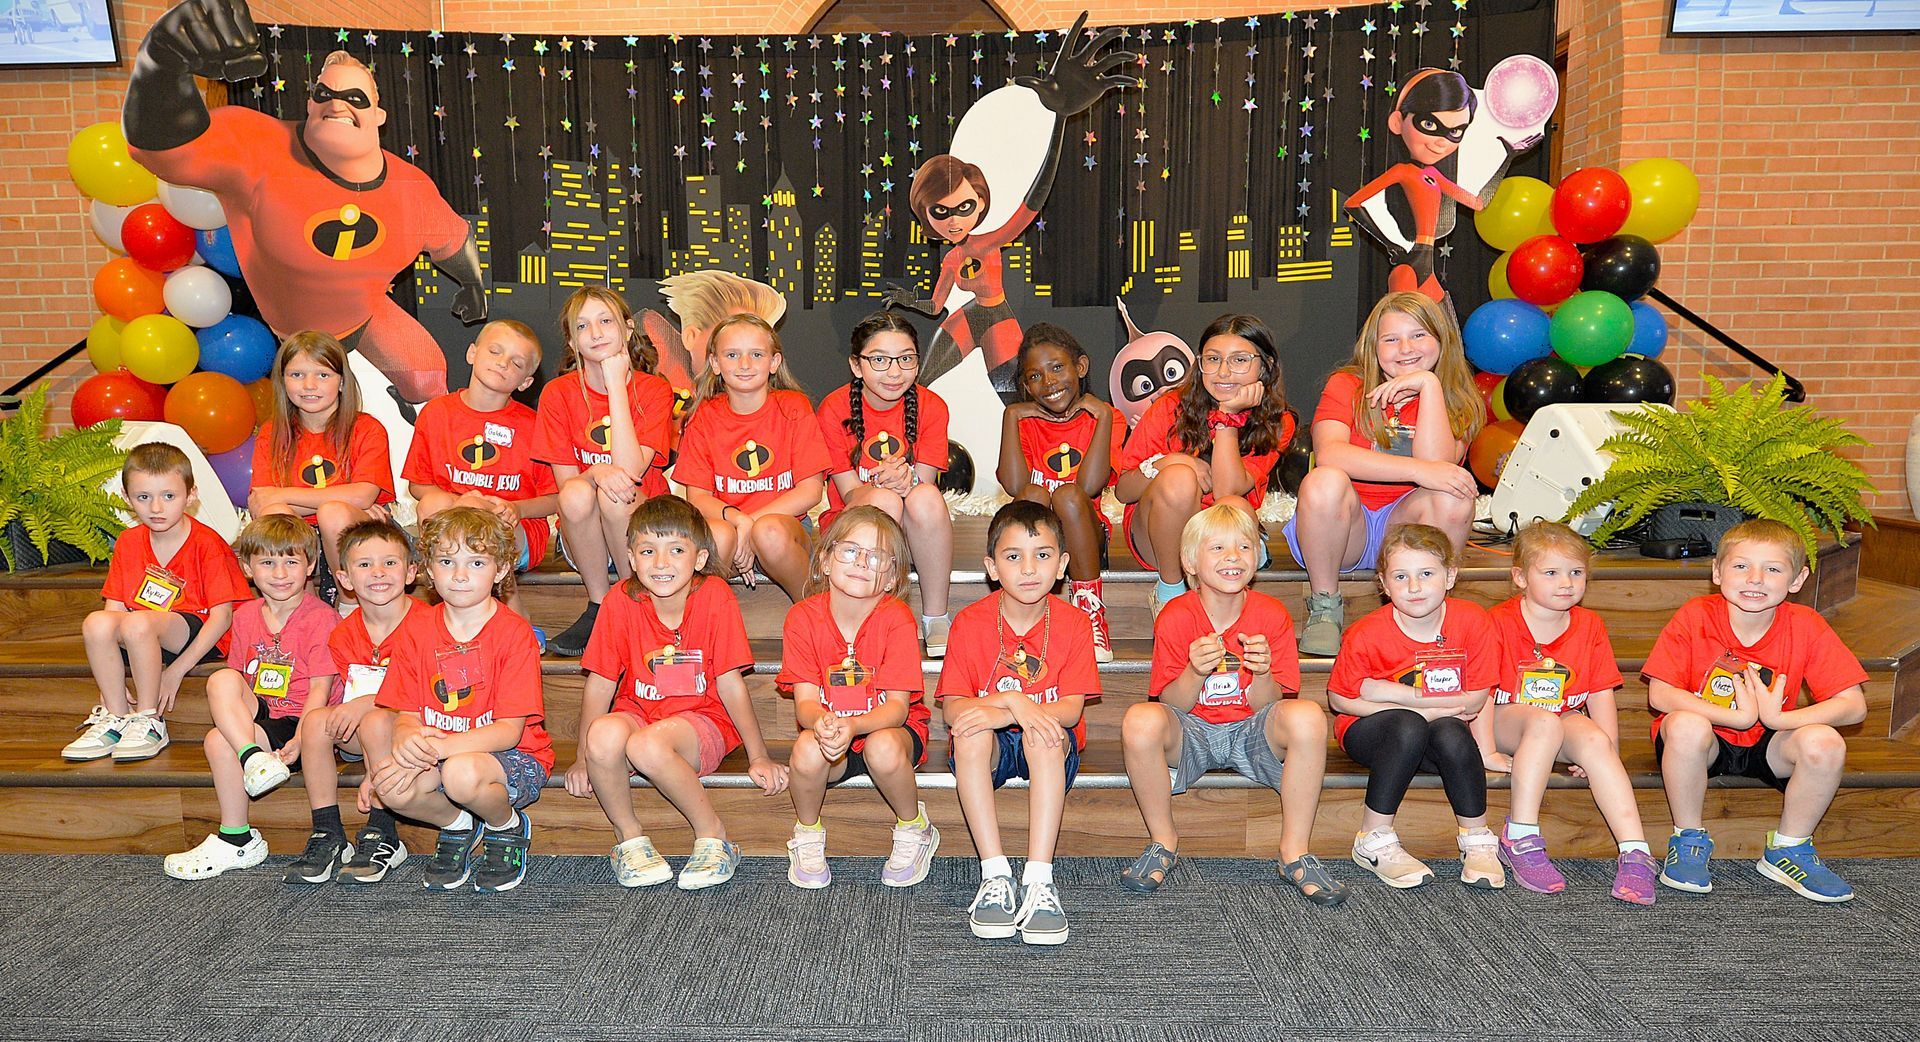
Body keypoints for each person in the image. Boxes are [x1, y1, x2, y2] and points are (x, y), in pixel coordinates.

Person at [126, 30, 484, 402]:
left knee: (428, 382)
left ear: (378, 116)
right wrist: (162, 61)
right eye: (325, 94)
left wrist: (472, 285)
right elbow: (159, 148)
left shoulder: (410, 187)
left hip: (364, 315)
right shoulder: (259, 146)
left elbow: (451, 238)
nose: (338, 105)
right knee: (311, 422)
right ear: (311, 104)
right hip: (289, 338)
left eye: (354, 98)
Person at [1118, 505, 1344, 906]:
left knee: (1308, 715)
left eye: (1244, 546)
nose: (1232, 556)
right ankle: (1163, 840)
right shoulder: (1175, 615)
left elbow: (1272, 705)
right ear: (1190, 562)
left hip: (1251, 730)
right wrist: (1193, 671)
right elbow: (1169, 702)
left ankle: (1294, 851)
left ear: (1256, 560)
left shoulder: (1271, 614)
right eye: (1218, 547)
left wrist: (1261, 673)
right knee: (1139, 720)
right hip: (1194, 731)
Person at [564, 496, 788, 891]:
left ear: (699, 559)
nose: (661, 563)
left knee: (647, 747)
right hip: (640, 715)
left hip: (702, 722)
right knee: (603, 735)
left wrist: (758, 756)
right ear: (631, 559)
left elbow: (731, 682)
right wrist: (583, 758)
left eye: (676, 550)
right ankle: (630, 840)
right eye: (648, 551)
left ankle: (713, 834)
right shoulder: (620, 599)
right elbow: (600, 682)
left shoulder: (715, 595)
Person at [1645, 519, 1868, 903]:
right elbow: (1660, 696)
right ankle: (1689, 838)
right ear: (1717, 572)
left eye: (1773, 569)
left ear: (1796, 580)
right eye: (1741, 566)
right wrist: (1737, 717)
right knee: (1683, 725)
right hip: (1706, 741)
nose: (1756, 579)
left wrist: (1780, 720)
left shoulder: (1806, 624)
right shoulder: (1696, 615)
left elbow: (1853, 706)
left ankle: (1788, 848)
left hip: (1771, 743)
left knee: (1825, 742)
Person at [360, 507, 554, 893]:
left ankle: (506, 826)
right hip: (442, 749)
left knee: (460, 773)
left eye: (476, 562)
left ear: (500, 570)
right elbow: (407, 712)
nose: (460, 575)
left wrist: (438, 748)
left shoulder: (513, 634)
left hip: (513, 759)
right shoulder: (416, 629)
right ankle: (457, 826)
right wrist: (406, 738)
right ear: (430, 569)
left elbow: (508, 733)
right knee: (391, 786)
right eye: (447, 561)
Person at [1286, 292, 1486, 656]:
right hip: (1343, 530)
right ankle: (1326, 607)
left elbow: (1439, 464)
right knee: (1322, 480)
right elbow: (1331, 453)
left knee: (1453, 496)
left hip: (1405, 523)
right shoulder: (1347, 384)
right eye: (1391, 339)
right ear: (1373, 348)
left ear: (1441, 339)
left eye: (1419, 335)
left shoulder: (1458, 396)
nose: (1405, 348)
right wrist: (1418, 470)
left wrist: (1429, 387)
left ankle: (1432, 610)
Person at [938, 500, 1097, 944]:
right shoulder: (970, 623)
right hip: (991, 751)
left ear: (1063, 565)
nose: (1029, 569)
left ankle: (1040, 879)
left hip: (1049, 747)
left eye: (1042, 555)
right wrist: (1014, 700)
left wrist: (1021, 712)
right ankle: (994, 875)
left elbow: (1071, 709)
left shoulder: (1074, 622)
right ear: (992, 567)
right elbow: (954, 709)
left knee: (1044, 734)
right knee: (970, 734)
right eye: (1013, 557)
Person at [1483, 522, 1656, 904]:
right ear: (1520, 577)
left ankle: (1635, 850)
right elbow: (1479, 694)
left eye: (1576, 572)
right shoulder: (1497, 622)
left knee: (1593, 738)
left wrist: (1605, 748)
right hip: (1505, 719)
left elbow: (1599, 691)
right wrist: (1486, 751)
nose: (1566, 583)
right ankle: (1521, 834)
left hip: (1559, 720)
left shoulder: (1590, 624)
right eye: (1551, 572)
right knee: (1544, 722)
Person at [1327, 523, 1503, 890]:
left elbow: (1474, 700)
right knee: (1409, 726)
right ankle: (1372, 839)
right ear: (1384, 583)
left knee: (1453, 732)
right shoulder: (1366, 633)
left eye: (1426, 573)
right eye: (1401, 576)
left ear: (1450, 576)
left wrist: (1384, 690)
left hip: (1439, 727)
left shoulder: (1472, 621)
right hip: (1371, 731)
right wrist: (1413, 705)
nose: (1414, 587)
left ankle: (1476, 838)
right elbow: (1342, 698)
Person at [163, 514, 339, 880]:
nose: (279, 573)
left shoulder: (322, 618)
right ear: (247, 567)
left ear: (310, 565)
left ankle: (236, 837)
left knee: (215, 740)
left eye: (291, 561)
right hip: (260, 716)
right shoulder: (244, 616)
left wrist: (299, 740)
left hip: (301, 722)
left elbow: (321, 691)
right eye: (267, 562)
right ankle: (252, 760)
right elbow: (242, 680)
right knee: (222, 679)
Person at [778, 506, 937, 889]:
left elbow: (898, 710)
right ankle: (807, 832)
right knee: (806, 749)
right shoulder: (801, 618)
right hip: (833, 737)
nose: (861, 563)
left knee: (881, 747)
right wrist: (824, 723)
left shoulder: (896, 617)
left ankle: (914, 826)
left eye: (877, 557)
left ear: (891, 577)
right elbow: (805, 703)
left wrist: (854, 725)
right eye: (850, 550)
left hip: (888, 731)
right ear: (826, 560)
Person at [68, 443, 247, 763]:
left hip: (203, 632)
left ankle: (149, 718)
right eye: (143, 497)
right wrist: (109, 680)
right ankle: (115, 718)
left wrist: (177, 671)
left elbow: (222, 618)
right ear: (126, 497)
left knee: (138, 622)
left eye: (168, 496)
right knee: (95, 622)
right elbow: (115, 607)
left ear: (190, 495)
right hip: (144, 632)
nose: (156, 508)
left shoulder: (207, 543)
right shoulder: (128, 541)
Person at [1115, 314, 1293, 619]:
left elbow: (1225, 491)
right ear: (1199, 364)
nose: (1223, 371)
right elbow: (1123, 490)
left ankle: (1228, 602)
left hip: (1222, 527)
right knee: (1180, 478)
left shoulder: (1278, 423)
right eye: (1212, 359)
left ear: (1265, 366)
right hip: (1158, 536)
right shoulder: (1169, 406)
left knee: (1235, 504)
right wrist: (1171, 461)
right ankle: (1170, 592)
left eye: (1239, 360)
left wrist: (1227, 417)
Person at [536, 287, 677, 657]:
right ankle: (599, 604)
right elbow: (567, 490)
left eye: (605, 321)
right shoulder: (557, 394)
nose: (596, 333)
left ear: (628, 330)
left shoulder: (655, 390)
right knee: (583, 491)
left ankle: (634, 600)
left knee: (615, 494)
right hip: (585, 539)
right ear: (571, 340)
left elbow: (630, 473)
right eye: (582, 326)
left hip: (644, 525)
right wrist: (596, 470)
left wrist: (616, 383)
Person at [285, 518, 425, 885]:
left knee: (375, 719)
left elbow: (425, 693)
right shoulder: (343, 632)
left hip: (416, 727)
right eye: (364, 565)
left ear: (411, 571)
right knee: (316, 720)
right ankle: (328, 831)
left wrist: (366, 704)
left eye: (390, 563)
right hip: (363, 735)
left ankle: (383, 831)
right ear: (345, 579)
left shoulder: (430, 624)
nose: (378, 573)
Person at [403, 319, 559, 625]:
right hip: (451, 526)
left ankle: (513, 606)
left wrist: (516, 507)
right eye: (495, 352)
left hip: (516, 533)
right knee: (433, 504)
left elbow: (555, 498)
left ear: (525, 382)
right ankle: (448, 602)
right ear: (472, 353)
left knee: (474, 511)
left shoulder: (534, 425)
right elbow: (418, 484)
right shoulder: (437, 413)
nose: (502, 363)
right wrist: (461, 503)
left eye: (515, 362)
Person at [818, 311, 955, 655]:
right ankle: (873, 617)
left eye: (906, 359)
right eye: (879, 360)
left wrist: (907, 480)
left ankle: (935, 616)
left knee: (924, 498)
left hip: (914, 534)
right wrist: (886, 484)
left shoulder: (932, 406)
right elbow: (849, 491)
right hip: (853, 532)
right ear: (856, 364)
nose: (894, 372)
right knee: (885, 503)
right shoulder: (834, 408)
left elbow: (925, 483)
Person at [674, 314, 831, 601]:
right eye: (732, 355)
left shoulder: (793, 407)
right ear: (715, 363)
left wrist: (752, 524)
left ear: (774, 362)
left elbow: (810, 491)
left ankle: (815, 615)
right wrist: (739, 523)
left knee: (767, 532)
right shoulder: (703, 416)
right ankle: (698, 629)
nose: (744, 364)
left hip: (784, 530)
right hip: (729, 531)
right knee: (716, 536)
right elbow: (696, 497)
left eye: (756, 354)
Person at [997, 322, 1123, 662]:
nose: (1049, 382)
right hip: (1036, 543)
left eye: (1057, 368)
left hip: (1085, 537)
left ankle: (1090, 612)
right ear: (1025, 385)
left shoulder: (1105, 417)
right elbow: (1013, 486)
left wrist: (1105, 416)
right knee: (1033, 495)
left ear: (1080, 367)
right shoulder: (1024, 421)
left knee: (1067, 495)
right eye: (1035, 376)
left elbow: (1090, 486)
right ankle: (1022, 618)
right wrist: (1012, 415)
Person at [249, 330, 396, 607]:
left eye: (323, 375)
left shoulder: (366, 428)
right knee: (275, 514)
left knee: (333, 513)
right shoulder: (272, 433)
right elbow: (262, 504)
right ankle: (303, 609)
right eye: (296, 375)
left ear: (342, 382)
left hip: (358, 531)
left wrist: (284, 495)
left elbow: (363, 496)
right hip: (301, 532)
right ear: (282, 382)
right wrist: (342, 496)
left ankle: (348, 604)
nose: (309, 385)